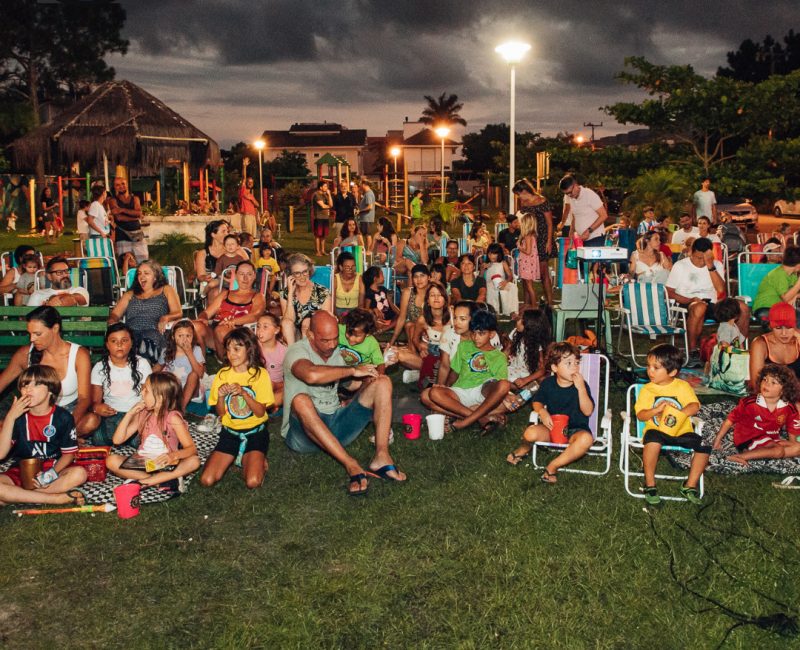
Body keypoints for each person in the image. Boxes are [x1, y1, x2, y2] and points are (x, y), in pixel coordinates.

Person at [282, 311, 405, 496]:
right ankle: (351, 464)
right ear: (310, 335)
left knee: (383, 382)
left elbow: (350, 385)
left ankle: (381, 455)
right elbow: (311, 375)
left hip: (336, 426)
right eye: (325, 340)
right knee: (300, 400)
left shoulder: (337, 351)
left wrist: (378, 368)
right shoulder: (297, 351)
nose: (332, 345)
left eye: (335, 338)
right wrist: (352, 370)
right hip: (303, 436)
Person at [0, 365, 87, 507]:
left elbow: (68, 455)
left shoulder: (63, 417)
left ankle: (19, 496)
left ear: (51, 390)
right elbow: (1, 454)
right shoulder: (17, 417)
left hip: (53, 469)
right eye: (25, 384)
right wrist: (10, 418)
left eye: (37, 384)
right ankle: (56, 499)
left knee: (79, 474)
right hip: (21, 471)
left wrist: (50, 475)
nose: (28, 389)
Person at [506, 342, 595, 480]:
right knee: (530, 433)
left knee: (586, 439)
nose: (575, 367)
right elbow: (537, 401)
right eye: (569, 363)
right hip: (553, 428)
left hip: (576, 431)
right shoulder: (548, 383)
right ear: (555, 367)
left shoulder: (582, 385)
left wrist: (581, 389)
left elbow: (588, 411)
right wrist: (542, 411)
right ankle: (524, 448)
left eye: (577, 363)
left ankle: (553, 466)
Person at [634, 343, 709, 506]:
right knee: (652, 439)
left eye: (656, 367)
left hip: (681, 431)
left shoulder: (682, 387)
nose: (650, 371)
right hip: (657, 430)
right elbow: (640, 415)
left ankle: (690, 485)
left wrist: (679, 412)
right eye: (648, 366)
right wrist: (656, 410)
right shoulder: (647, 390)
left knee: (704, 444)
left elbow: (695, 406)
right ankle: (650, 484)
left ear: (672, 372)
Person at [200, 328, 274, 489]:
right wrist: (220, 396)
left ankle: (257, 457)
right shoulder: (222, 375)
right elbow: (221, 413)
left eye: (236, 349)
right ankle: (240, 456)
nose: (231, 354)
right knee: (207, 480)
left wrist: (244, 394)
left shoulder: (260, 374)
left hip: (255, 433)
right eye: (228, 349)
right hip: (230, 433)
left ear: (249, 349)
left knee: (252, 482)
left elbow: (260, 412)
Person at [105, 372, 200, 491]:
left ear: (160, 398)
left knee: (194, 461)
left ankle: (144, 482)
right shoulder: (142, 413)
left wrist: (172, 456)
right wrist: (130, 414)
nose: (141, 393)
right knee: (111, 460)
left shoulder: (173, 418)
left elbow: (191, 449)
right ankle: (161, 480)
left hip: (167, 464)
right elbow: (117, 440)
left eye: (146, 391)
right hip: (144, 464)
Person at [665, 237, 750, 368]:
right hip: (686, 302)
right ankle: (692, 351)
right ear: (691, 253)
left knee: (743, 308)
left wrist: (710, 266)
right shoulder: (680, 266)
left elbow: (721, 289)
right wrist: (690, 300)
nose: (701, 262)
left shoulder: (716, 265)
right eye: (698, 258)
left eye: (704, 258)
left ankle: (738, 346)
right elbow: (669, 291)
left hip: (712, 304)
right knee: (699, 307)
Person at [424, 310, 510, 434]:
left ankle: (463, 420)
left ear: (491, 334)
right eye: (474, 333)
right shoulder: (464, 346)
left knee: (504, 385)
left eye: (481, 333)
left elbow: (498, 387)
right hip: (461, 392)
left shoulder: (499, 356)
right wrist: (445, 388)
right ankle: (480, 418)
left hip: (482, 393)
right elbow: (454, 372)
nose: (476, 337)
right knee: (428, 394)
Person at [0, 307, 91, 423]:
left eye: (38, 334)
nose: (32, 339)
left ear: (55, 328)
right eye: (30, 334)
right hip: (35, 411)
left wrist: (69, 425)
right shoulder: (25, 354)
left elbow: (84, 398)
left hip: (68, 411)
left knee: (91, 421)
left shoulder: (79, 354)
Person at [78, 323, 152, 444]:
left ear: (132, 343)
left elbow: (148, 395)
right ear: (107, 345)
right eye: (114, 341)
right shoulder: (99, 367)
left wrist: (135, 413)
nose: (119, 344)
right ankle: (121, 438)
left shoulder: (142, 364)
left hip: (136, 414)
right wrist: (97, 408)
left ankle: (128, 438)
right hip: (111, 414)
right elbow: (95, 402)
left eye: (124, 340)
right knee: (99, 440)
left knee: (141, 440)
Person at [713, 364, 800, 466]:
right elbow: (730, 420)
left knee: (797, 447)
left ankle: (762, 453)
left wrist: (793, 446)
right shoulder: (750, 403)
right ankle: (738, 457)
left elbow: (792, 429)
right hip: (748, 438)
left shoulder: (788, 407)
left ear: (784, 390)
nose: (766, 384)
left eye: (773, 382)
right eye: (765, 379)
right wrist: (717, 439)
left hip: (770, 439)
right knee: (779, 450)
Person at [109, 260, 183, 365]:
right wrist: (113, 320)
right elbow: (115, 314)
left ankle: (141, 365)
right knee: (127, 340)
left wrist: (165, 318)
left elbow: (178, 312)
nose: (142, 276)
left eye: (146, 273)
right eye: (139, 273)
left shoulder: (166, 289)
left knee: (145, 342)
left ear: (156, 276)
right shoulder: (130, 294)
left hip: (154, 331)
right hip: (132, 332)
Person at [193, 261, 266, 360]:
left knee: (221, 329)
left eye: (249, 274)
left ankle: (227, 362)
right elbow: (206, 312)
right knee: (195, 326)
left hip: (239, 336)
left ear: (254, 276)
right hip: (215, 333)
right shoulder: (225, 294)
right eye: (241, 274)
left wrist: (233, 321)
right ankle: (202, 364)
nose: (245, 278)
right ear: (235, 276)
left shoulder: (257, 296)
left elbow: (255, 315)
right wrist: (203, 318)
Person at [513, 179, 553, 304]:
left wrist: (549, 242)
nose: (519, 196)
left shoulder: (542, 201)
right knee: (526, 275)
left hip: (541, 240)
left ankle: (550, 301)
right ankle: (527, 303)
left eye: (519, 193)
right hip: (528, 238)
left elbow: (550, 224)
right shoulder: (523, 202)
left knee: (543, 272)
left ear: (524, 190)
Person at [504, 308, 552, 410]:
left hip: (527, 375)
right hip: (512, 370)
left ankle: (518, 398)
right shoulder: (515, 334)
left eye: (521, 319)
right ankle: (516, 393)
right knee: (500, 380)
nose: (517, 320)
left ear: (530, 325)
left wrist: (526, 380)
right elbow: (506, 351)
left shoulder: (536, 343)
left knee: (542, 382)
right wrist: (498, 363)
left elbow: (541, 369)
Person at [153, 319, 206, 410]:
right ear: (173, 337)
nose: (184, 339)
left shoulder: (196, 350)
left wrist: (189, 353)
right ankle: (170, 402)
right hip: (173, 388)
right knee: (162, 377)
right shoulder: (166, 352)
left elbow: (200, 374)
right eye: (180, 335)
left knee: (193, 375)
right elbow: (157, 368)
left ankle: (181, 408)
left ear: (193, 337)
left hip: (192, 389)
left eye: (188, 336)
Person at [280, 254, 333, 344]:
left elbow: (325, 321)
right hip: (293, 335)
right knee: (286, 323)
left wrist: (309, 325)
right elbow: (289, 320)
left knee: (307, 322)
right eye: (297, 273)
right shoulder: (285, 293)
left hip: (316, 335)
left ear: (309, 271)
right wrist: (290, 295)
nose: (302, 276)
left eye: (305, 271)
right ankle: (293, 354)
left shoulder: (322, 292)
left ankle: (306, 354)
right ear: (290, 275)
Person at [749, 302, 800, 390]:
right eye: (778, 328)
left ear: (795, 326)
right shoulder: (760, 344)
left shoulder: (798, 340)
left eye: (788, 327)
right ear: (770, 326)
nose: (784, 333)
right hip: (769, 399)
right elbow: (756, 384)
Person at [108, 174, 148, 264]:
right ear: (114, 187)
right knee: (126, 263)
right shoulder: (112, 200)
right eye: (117, 185)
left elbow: (139, 213)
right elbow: (119, 218)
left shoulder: (135, 199)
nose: (121, 186)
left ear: (127, 185)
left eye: (123, 183)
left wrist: (121, 209)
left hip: (137, 235)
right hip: (122, 235)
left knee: (144, 261)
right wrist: (135, 216)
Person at [752, 247, 800, 320]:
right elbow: (786, 298)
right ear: (798, 265)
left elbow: (794, 292)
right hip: (765, 309)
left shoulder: (792, 275)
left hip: (779, 309)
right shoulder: (778, 274)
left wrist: (796, 295)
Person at [558, 175, 607, 246]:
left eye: (570, 192)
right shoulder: (571, 198)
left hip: (595, 238)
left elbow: (604, 215)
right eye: (566, 194)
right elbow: (575, 216)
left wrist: (589, 231)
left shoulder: (589, 194)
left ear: (575, 185)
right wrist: (571, 232)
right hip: (581, 239)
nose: (569, 195)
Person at [388, 264, 430, 346]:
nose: (419, 279)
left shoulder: (433, 292)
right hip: (413, 332)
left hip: (430, 330)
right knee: (409, 325)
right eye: (416, 276)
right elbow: (401, 318)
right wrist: (391, 342)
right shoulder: (408, 292)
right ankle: (413, 351)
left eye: (422, 276)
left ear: (428, 277)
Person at [338, 308, 385, 373]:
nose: (351, 338)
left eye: (356, 336)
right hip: (339, 368)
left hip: (361, 371)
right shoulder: (338, 330)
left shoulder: (372, 343)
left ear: (367, 334)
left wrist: (378, 376)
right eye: (349, 333)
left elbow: (380, 364)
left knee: (372, 379)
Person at [194, 220, 231, 302]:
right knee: (216, 292)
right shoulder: (202, 253)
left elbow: (246, 264)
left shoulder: (231, 250)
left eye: (227, 231)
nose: (227, 234)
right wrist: (205, 277)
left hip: (229, 282)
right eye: (223, 231)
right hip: (211, 284)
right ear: (213, 234)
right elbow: (200, 276)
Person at [256, 313, 286, 410]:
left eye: (265, 327)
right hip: (257, 384)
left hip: (277, 386)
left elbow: (290, 379)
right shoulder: (254, 346)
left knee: (286, 393)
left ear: (276, 330)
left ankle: (265, 405)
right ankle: (265, 405)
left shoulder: (284, 352)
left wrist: (276, 385)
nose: (260, 331)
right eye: (258, 326)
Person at [484, 242, 518, 317]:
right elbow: (480, 277)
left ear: (499, 254)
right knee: (491, 289)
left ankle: (511, 311)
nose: (491, 256)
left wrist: (506, 281)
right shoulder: (486, 264)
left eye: (494, 254)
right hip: (489, 283)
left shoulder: (503, 263)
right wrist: (483, 268)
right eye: (489, 254)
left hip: (501, 282)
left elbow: (510, 276)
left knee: (513, 287)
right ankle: (494, 311)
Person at [361, 265, 399, 334]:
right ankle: (384, 328)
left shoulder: (384, 289)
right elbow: (366, 309)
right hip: (379, 320)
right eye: (382, 274)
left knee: (400, 319)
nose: (384, 277)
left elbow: (391, 304)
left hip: (390, 317)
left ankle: (384, 329)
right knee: (375, 322)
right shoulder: (369, 293)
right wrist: (373, 310)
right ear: (375, 279)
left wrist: (400, 313)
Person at [333, 251, 363, 318]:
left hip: (355, 311)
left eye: (353, 266)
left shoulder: (360, 279)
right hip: (338, 311)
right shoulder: (335, 279)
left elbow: (361, 304)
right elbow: (332, 303)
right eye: (347, 267)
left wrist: (356, 317)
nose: (351, 269)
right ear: (341, 267)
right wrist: (336, 316)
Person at [313, 180, 333, 256]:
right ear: (320, 187)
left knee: (324, 235)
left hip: (325, 217)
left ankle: (323, 250)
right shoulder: (316, 195)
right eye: (325, 186)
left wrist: (329, 195)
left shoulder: (325, 195)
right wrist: (328, 207)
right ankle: (318, 251)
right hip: (318, 217)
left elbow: (331, 204)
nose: (326, 188)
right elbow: (323, 206)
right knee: (318, 235)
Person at [357, 179, 376, 250]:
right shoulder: (367, 193)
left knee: (368, 234)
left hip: (367, 218)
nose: (360, 186)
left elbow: (370, 207)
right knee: (362, 233)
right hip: (365, 218)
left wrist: (360, 211)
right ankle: (364, 249)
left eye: (360, 185)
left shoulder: (368, 194)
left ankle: (368, 250)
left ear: (364, 185)